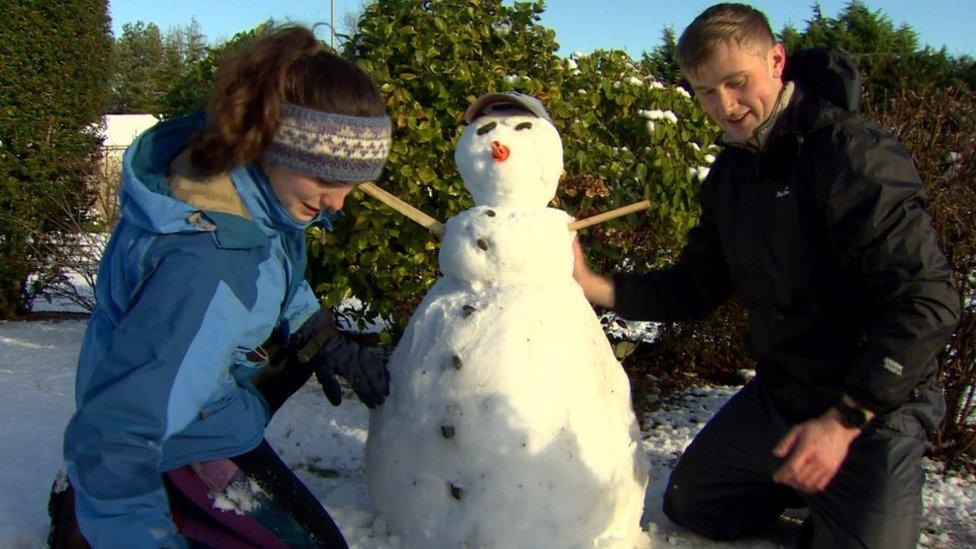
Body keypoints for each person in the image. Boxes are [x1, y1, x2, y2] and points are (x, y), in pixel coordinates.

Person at [572, 3, 960, 547]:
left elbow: (930, 299)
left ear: (776, 60)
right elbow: (696, 286)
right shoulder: (732, 173)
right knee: (693, 504)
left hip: (873, 407)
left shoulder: (851, 153)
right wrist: (593, 285)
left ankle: (845, 498)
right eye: (706, 92)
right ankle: (816, 491)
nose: (724, 106)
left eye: (736, 82)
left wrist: (845, 419)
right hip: (784, 394)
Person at [48, 26, 392, 548]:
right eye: (327, 181)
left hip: (193, 396)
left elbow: (267, 266)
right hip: (176, 438)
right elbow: (115, 435)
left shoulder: (240, 189)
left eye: (349, 186)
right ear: (277, 146)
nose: (338, 203)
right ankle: (96, 508)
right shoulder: (204, 262)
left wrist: (317, 330)